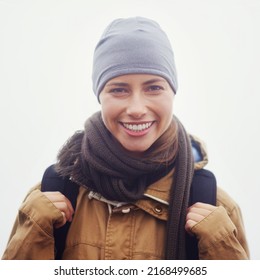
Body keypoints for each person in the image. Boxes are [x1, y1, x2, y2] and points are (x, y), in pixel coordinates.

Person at [2, 17, 249, 260]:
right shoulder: (51, 195)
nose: (136, 108)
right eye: (119, 89)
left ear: (173, 92)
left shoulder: (216, 209)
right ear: (100, 96)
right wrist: (36, 229)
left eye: (154, 87)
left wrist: (220, 246)